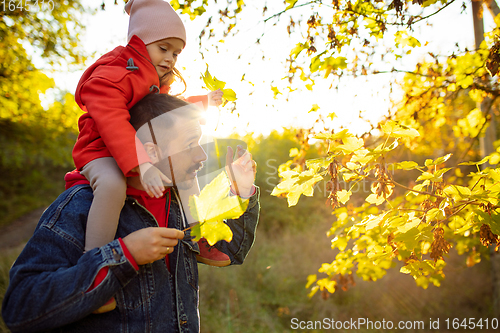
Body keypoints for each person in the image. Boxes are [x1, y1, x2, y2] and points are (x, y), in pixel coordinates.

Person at [1, 94, 259, 333]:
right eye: (191, 144)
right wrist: (124, 255)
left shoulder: (182, 201)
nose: (202, 155)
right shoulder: (81, 207)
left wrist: (242, 192)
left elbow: (230, 251)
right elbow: (20, 308)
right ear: (151, 152)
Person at [73, 0, 223, 263]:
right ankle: (96, 263)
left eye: (176, 53)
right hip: (101, 150)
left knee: (184, 171)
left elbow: (164, 113)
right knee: (111, 186)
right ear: (139, 43)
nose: (169, 58)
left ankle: (200, 235)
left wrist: (202, 102)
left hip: (141, 148)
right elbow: (112, 121)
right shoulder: (114, 73)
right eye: (163, 48)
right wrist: (141, 161)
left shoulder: (154, 79)